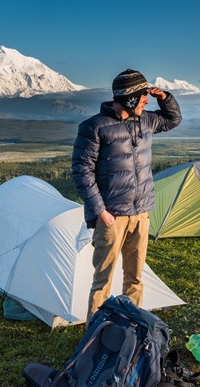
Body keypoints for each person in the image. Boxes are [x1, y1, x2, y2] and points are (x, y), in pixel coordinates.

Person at [72, 69, 182, 323]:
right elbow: (82, 171)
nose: (147, 100)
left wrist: (164, 97)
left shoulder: (146, 121)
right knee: (103, 280)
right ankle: (95, 333)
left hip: (140, 213)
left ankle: (132, 329)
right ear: (130, 97)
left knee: (135, 277)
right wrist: (101, 212)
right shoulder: (93, 127)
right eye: (143, 95)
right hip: (112, 216)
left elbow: (173, 119)